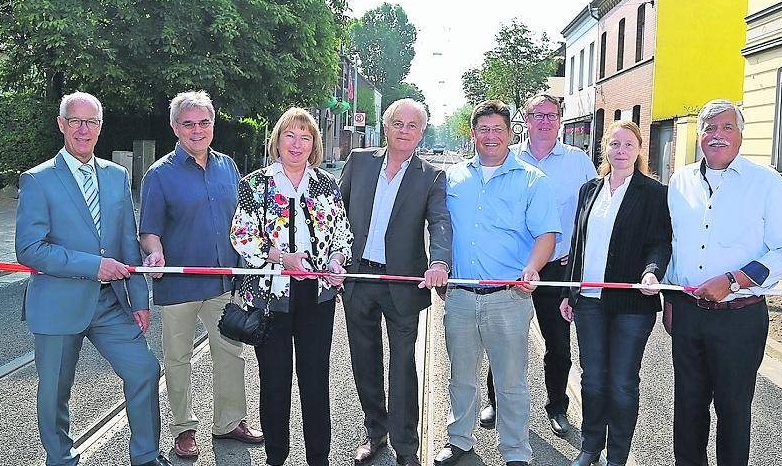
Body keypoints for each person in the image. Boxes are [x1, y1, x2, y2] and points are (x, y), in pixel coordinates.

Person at [15, 92, 169, 466]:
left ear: (100, 127)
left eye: (92, 122)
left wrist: (140, 300)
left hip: (109, 303)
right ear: (61, 124)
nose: (84, 130)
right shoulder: (38, 180)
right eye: (76, 121)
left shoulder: (116, 177)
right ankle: (62, 459)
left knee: (145, 370)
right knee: (54, 392)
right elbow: (29, 250)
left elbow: (128, 245)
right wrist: (92, 265)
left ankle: (146, 457)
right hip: (58, 302)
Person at [665, 99, 782, 466]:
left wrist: (733, 279)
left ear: (741, 135)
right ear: (699, 135)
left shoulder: (765, 182)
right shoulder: (679, 182)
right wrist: (669, 302)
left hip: (739, 318)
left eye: (727, 127)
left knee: (733, 409)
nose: (717, 135)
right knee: (688, 407)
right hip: (688, 315)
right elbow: (674, 248)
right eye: (709, 128)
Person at [434, 100, 562, 466]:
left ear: (510, 134)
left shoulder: (532, 180)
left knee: (511, 383)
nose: (491, 137)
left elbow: (546, 236)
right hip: (459, 296)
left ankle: (516, 451)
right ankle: (459, 439)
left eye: (498, 130)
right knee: (461, 377)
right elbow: (438, 229)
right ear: (472, 134)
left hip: (508, 298)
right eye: (484, 130)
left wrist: (533, 269)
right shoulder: (453, 179)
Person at [138, 90, 262, 458]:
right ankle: (183, 429)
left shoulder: (229, 167)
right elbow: (149, 231)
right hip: (179, 286)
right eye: (188, 124)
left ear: (213, 124)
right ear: (175, 127)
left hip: (225, 281)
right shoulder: (159, 175)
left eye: (204, 122)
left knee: (231, 352)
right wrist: (155, 252)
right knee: (178, 359)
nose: (197, 130)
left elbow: (243, 222)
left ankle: (230, 422)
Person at [230, 107, 353, 466]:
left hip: (317, 296)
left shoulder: (326, 184)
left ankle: (319, 457)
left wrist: (336, 261)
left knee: (315, 379)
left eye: (305, 137)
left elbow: (341, 233)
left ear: (314, 144)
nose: (297, 144)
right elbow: (242, 236)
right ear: (277, 141)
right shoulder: (255, 184)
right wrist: (282, 258)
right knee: (274, 380)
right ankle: (276, 457)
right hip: (270, 297)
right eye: (290, 136)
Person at [339, 98, 452, 466]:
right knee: (364, 359)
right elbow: (335, 214)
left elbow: (439, 222)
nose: (404, 131)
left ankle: (407, 448)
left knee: (403, 365)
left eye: (412, 126)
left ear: (422, 132)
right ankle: (375, 432)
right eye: (398, 123)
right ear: (385, 126)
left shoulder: (431, 175)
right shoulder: (358, 161)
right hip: (358, 278)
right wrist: (333, 258)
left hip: (403, 282)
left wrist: (439, 260)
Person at [480, 93, 596, 434]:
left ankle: (557, 406)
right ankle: (496, 401)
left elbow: (590, 216)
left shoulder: (579, 163)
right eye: (536, 115)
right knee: (504, 339)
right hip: (512, 267)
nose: (544, 121)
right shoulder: (507, 157)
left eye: (550, 115)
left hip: (557, 268)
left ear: (559, 120)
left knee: (558, 344)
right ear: (525, 120)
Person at [559, 120, 671, 466]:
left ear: (639, 151)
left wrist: (652, 272)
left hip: (632, 305)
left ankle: (617, 455)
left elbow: (660, 243)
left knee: (622, 382)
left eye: (628, 145)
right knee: (592, 380)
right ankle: (591, 446)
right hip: (589, 301)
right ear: (604, 148)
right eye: (614, 144)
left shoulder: (654, 193)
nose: (620, 151)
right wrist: (568, 289)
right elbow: (578, 244)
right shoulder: (589, 189)